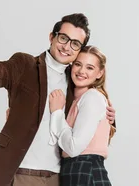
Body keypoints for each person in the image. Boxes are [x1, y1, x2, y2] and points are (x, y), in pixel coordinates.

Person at [0, 13, 117, 186]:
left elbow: (87, 114)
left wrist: (111, 119)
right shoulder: (25, 64)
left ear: (79, 49)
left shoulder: (76, 80)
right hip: (22, 173)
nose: (67, 47)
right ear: (52, 37)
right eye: (63, 38)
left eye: (75, 43)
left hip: (58, 177)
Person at [48, 45, 115, 186]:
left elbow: (73, 147)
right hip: (75, 171)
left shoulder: (92, 97)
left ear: (100, 73)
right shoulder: (78, 99)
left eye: (90, 68)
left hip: (85, 170)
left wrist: (57, 113)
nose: (81, 71)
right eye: (78, 64)